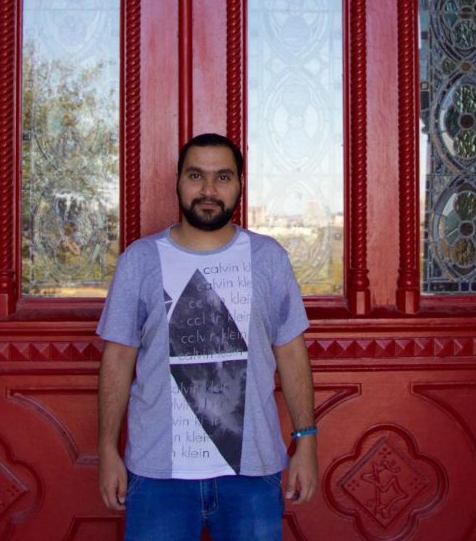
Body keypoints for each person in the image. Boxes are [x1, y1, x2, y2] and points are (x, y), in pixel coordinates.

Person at [97, 133, 318, 541]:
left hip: (251, 472)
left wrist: (305, 440)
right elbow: (118, 358)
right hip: (157, 473)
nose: (209, 190)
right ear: (178, 181)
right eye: (196, 175)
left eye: (223, 177)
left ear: (239, 185)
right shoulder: (140, 260)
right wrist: (108, 450)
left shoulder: (268, 258)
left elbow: (290, 351)